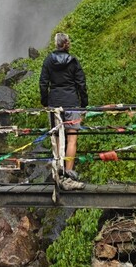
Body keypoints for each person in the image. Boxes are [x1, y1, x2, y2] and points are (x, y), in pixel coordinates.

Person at [39, 32, 88, 187]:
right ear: (67, 43)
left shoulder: (48, 61)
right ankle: (68, 172)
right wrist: (83, 104)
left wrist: (45, 102)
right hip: (72, 102)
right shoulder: (73, 61)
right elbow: (81, 84)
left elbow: (43, 83)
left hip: (55, 104)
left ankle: (59, 170)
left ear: (56, 44)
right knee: (72, 138)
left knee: (58, 138)